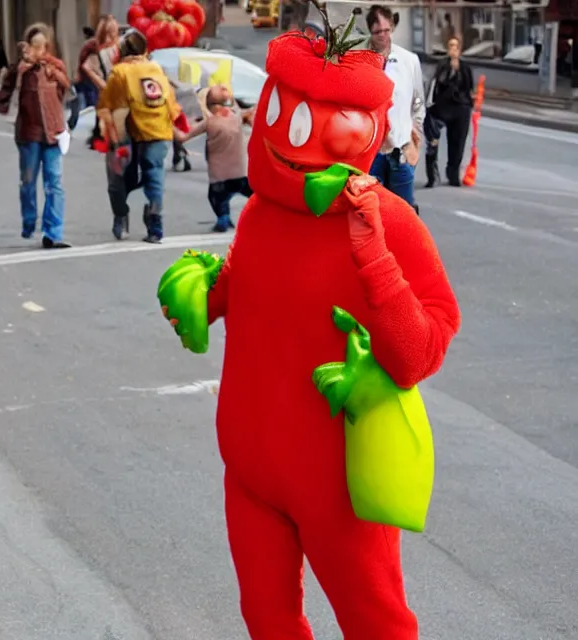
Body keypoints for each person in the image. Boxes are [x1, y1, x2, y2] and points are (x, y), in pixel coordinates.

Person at [157, 24, 461, 640]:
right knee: (266, 619)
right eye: (280, 109)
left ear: (364, 130)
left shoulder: (389, 221)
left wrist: (373, 257)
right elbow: (252, 287)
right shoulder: (262, 213)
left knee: (375, 623)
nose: (291, 137)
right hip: (249, 469)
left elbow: (421, 350)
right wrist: (200, 293)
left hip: (338, 480)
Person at [97, 27, 188, 243]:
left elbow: (107, 107)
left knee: (118, 178)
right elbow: (171, 104)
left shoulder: (120, 72)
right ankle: (155, 223)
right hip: (159, 131)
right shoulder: (156, 69)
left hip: (128, 133)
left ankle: (121, 216)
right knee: (154, 175)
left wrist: (105, 135)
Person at [0, 23, 71, 249]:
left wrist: (53, 72)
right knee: (28, 182)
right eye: (35, 46)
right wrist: (22, 68)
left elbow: (67, 86)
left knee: (54, 183)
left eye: (42, 46)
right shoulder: (20, 69)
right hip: (29, 134)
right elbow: (7, 89)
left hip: (54, 133)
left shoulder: (55, 66)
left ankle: (53, 232)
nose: (39, 51)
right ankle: (29, 221)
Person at [366, 5, 424, 214]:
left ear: (391, 27)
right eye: (377, 32)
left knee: (403, 212)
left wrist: (417, 139)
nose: (382, 36)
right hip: (371, 152)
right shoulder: (362, 61)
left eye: (386, 30)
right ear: (370, 31)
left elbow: (418, 103)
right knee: (370, 212)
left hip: (401, 148)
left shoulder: (409, 60)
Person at [173, 83, 254, 232]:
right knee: (254, 194)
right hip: (241, 173)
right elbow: (247, 111)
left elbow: (183, 137)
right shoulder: (237, 117)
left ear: (208, 106)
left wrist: (167, 125)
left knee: (217, 198)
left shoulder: (209, 122)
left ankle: (223, 218)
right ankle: (268, 215)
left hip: (220, 177)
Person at [424, 35, 474, 188]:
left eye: (456, 47)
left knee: (457, 142)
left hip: (460, 108)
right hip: (442, 107)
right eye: (451, 46)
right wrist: (451, 67)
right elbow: (438, 82)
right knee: (432, 140)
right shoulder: (443, 65)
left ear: (460, 49)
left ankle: (453, 174)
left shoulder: (465, 67)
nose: (453, 49)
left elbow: (468, 86)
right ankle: (432, 175)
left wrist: (470, 102)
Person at [75, 14, 119, 147]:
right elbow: (86, 65)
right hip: (106, 85)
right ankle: (103, 136)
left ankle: (103, 136)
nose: (111, 37)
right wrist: (102, 84)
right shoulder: (96, 49)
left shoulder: (116, 46)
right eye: (109, 33)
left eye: (113, 32)